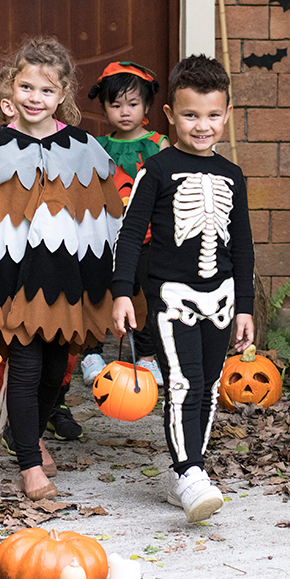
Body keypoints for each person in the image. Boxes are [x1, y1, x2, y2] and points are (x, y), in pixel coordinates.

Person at [0, 37, 129, 501]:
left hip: (64, 283)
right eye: (25, 87)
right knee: (23, 367)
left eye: (45, 90)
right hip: (14, 282)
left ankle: (30, 434)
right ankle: (28, 466)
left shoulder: (85, 150)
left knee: (52, 372)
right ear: (10, 88)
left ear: (62, 95)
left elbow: (104, 223)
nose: (34, 98)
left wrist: (113, 284)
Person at [111, 55, 254, 523]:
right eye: (191, 115)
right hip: (171, 296)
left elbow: (244, 245)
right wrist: (121, 294)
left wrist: (246, 308)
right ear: (170, 115)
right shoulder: (157, 170)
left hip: (223, 297)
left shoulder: (233, 175)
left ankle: (185, 474)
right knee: (182, 383)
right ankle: (191, 470)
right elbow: (131, 234)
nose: (202, 125)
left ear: (227, 114)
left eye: (213, 115)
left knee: (209, 386)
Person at [78, 62, 170, 389]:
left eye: (132, 104)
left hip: (145, 239)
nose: (124, 112)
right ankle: (91, 353)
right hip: (104, 237)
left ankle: (146, 357)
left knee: (143, 295)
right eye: (115, 105)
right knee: (96, 291)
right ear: (103, 107)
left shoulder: (159, 145)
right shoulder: (98, 148)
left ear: (147, 106)